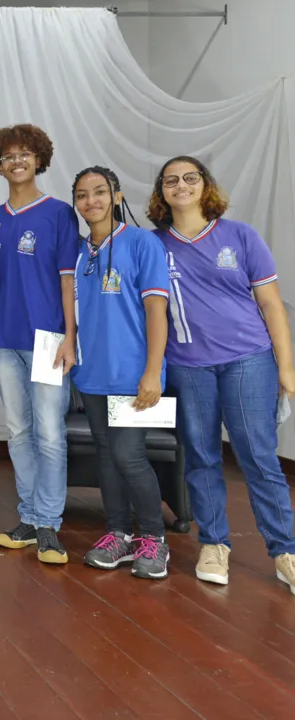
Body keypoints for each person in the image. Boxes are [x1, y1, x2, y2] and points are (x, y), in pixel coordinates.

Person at [149, 155, 295, 593]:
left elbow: (271, 305)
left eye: (189, 178)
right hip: (189, 366)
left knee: (258, 456)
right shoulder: (153, 244)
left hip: (249, 359)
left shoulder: (240, 236)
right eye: (171, 180)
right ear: (161, 193)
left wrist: (286, 370)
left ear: (205, 185)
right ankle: (214, 544)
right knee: (202, 456)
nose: (181, 185)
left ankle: (285, 550)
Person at [0, 124, 78, 564]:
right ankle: (30, 518)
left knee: (50, 434)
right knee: (18, 431)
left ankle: (49, 525)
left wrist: (70, 337)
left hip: (49, 338)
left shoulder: (58, 213)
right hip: (2, 339)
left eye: (25, 154)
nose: (17, 162)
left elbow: (68, 279)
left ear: (39, 160)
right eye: (8, 156)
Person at [71, 167, 172, 580]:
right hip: (93, 373)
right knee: (107, 457)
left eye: (99, 192)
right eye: (82, 195)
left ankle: (154, 539)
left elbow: (156, 311)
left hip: (134, 375)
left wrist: (153, 372)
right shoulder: (79, 253)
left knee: (129, 456)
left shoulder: (141, 242)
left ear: (116, 196)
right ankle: (117, 534)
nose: (90, 201)